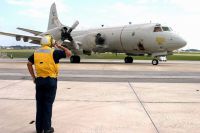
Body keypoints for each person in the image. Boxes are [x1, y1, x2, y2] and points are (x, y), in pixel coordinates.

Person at [27, 34, 71, 133]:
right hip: (50, 80)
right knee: (47, 104)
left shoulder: (36, 52)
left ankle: (39, 129)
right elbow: (69, 53)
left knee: (40, 104)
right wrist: (59, 46)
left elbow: (29, 63)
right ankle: (47, 128)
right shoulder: (54, 52)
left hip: (39, 81)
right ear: (51, 42)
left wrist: (34, 77)